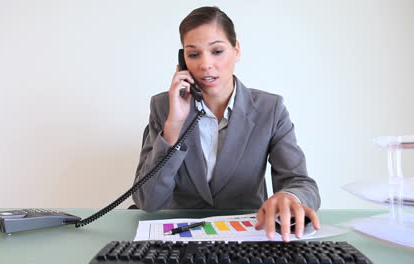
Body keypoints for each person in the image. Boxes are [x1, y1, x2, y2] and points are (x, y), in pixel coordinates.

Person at [132, 6, 321, 242]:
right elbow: (148, 201)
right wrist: (174, 125)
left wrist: (290, 197)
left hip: (248, 237)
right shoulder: (164, 106)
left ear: (237, 50)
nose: (205, 64)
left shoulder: (269, 109)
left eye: (217, 51)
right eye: (193, 55)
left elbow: (301, 182)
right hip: (181, 238)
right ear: (182, 61)